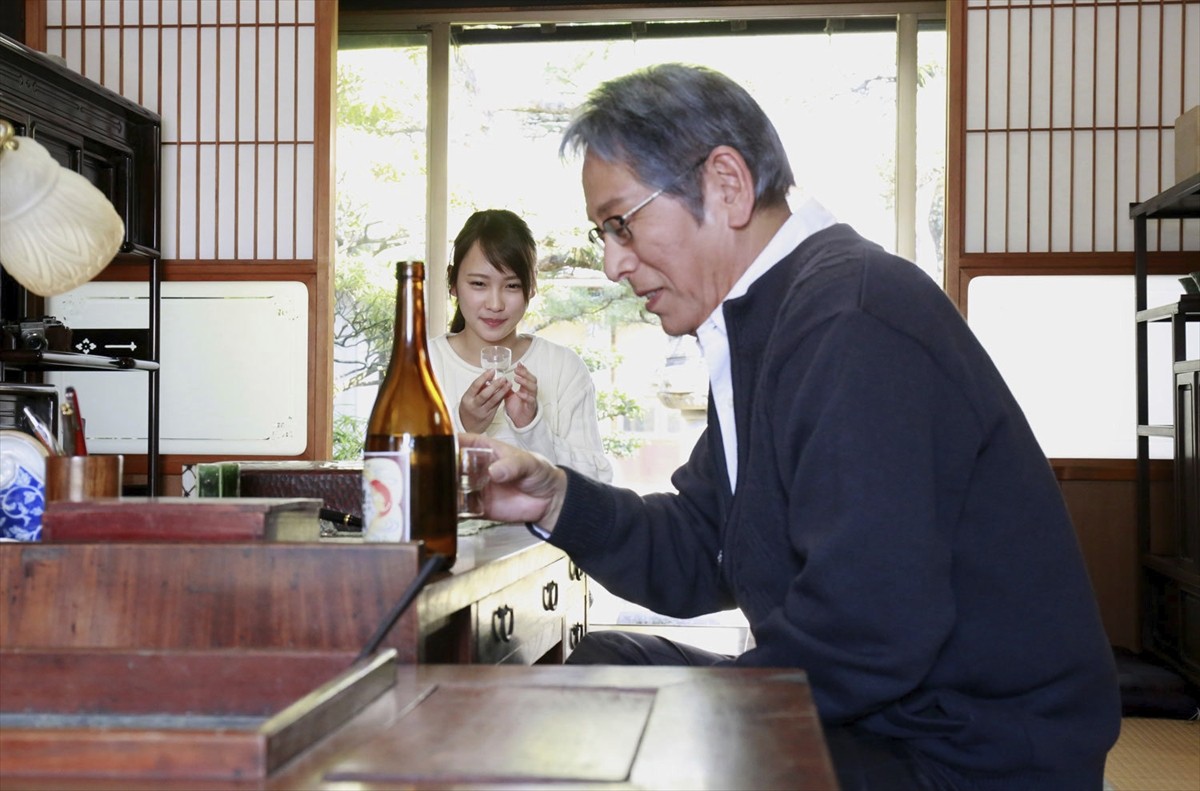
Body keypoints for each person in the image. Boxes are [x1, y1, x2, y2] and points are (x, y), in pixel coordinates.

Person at [464, 64, 1121, 790]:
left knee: (647, 744)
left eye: (622, 223)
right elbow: (702, 547)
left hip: (969, 752)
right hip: (888, 715)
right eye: (603, 235)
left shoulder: (854, 321)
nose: (615, 263)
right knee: (606, 670)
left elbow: (867, 632)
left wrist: (710, 717)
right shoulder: (764, 323)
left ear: (727, 185)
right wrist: (554, 498)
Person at [430, 209, 612, 483]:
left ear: (532, 286)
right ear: (452, 282)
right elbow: (390, 478)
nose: (495, 304)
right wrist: (463, 425)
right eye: (479, 283)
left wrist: (532, 426)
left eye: (512, 286)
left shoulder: (564, 368)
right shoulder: (421, 364)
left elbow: (597, 484)